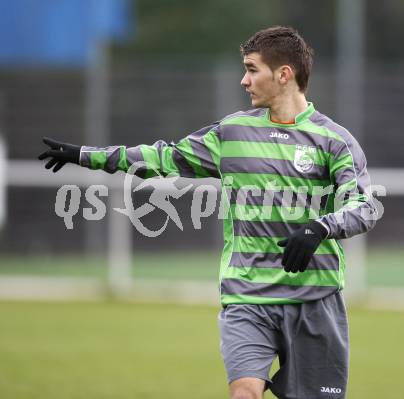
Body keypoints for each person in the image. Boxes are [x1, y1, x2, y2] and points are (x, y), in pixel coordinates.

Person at [39, 26, 377, 399]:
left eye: (252, 69)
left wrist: (319, 229)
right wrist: (88, 156)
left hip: (315, 299)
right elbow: (164, 157)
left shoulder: (334, 140)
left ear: (284, 74)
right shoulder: (232, 132)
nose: (243, 80)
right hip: (248, 297)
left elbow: (364, 205)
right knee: (244, 392)